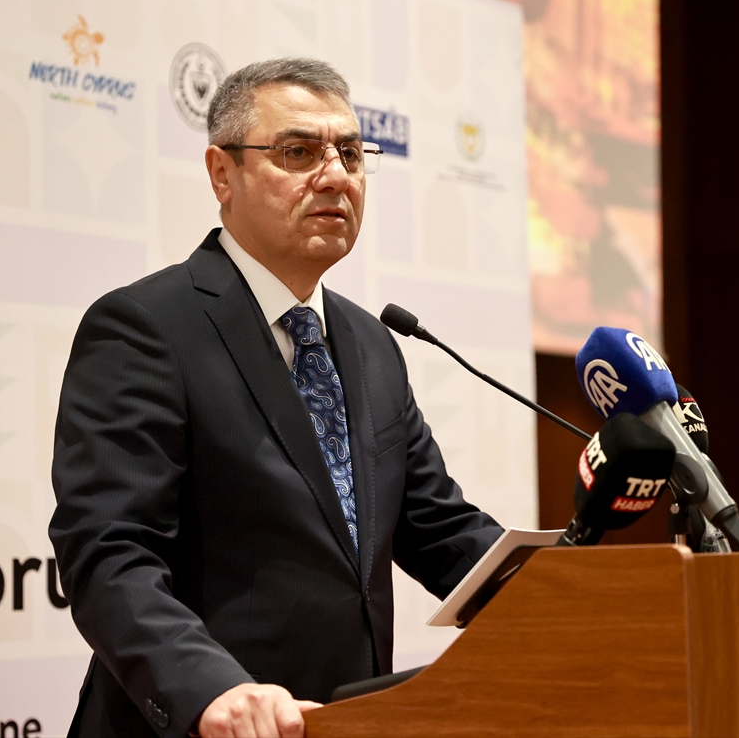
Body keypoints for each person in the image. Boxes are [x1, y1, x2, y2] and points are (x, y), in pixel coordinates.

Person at [49, 58, 503, 738]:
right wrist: (211, 690)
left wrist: (583, 595)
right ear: (221, 174)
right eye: (299, 152)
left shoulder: (371, 343)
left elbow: (438, 529)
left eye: (351, 154)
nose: (336, 176)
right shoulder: (146, 327)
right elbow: (109, 552)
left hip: (342, 721)